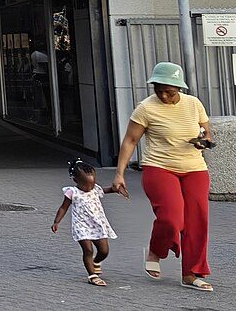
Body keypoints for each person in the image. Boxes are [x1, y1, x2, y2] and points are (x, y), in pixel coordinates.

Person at [110, 62, 214, 292]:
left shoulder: (193, 104)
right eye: (159, 90)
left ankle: (191, 274)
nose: (164, 96)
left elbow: (206, 133)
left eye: (170, 91)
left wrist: (203, 141)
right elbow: (130, 141)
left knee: (198, 220)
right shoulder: (146, 108)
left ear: (179, 88)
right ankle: (156, 250)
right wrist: (119, 174)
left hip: (194, 168)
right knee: (171, 218)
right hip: (159, 167)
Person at [52, 158, 121, 286]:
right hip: (81, 225)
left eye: (92, 184)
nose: (90, 187)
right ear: (75, 180)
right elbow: (63, 207)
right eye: (86, 185)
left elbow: (106, 190)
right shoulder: (72, 192)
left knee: (104, 251)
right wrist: (57, 222)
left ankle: (96, 262)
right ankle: (92, 275)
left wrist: (115, 189)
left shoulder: (94, 188)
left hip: (97, 224)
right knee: (88, 250)